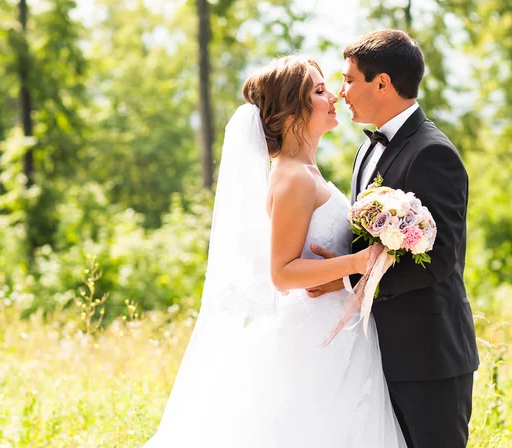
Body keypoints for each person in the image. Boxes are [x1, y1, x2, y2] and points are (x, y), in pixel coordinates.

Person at [142, 56, 406, 447]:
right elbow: (281, 273)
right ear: (291, 112)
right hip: (312, 334)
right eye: (318, 91)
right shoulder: (293, 178)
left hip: (335, 326)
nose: (332, 96)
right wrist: (359, 261)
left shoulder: (306, 171)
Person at [308, 30, 479, 448]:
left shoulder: (432, 153)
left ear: (381, 83)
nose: (341, 92)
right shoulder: (366, 150)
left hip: (428, 357)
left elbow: (439, 261)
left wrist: (347, 280)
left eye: (349, 80)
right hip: (374, 352)